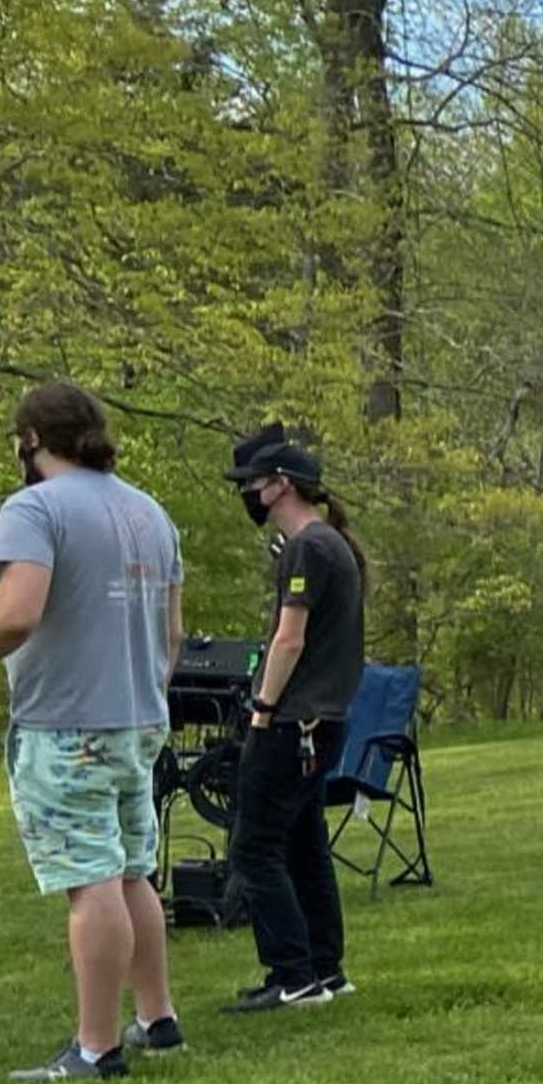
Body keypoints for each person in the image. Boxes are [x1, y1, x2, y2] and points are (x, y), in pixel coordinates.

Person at [0, 381, 187, 1084]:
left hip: (65, 721)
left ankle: (95, 1046)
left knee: (92, 878)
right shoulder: (150, 513)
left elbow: (17, 613)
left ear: (30, 441)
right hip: (139, 717)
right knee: (133, 866)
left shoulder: (33, 509)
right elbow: (170, 633)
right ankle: (157, 1018)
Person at [220, 428, 366, 1014]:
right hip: (326, 720)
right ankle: (324, 968)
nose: (249, 494)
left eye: (253, 484)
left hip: (294, 722)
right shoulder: (335, 544)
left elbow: (289, 638)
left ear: (281, 485)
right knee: (304, 844)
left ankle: (291, 972)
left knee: (253, 847)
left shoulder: (307, 547)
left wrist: (262, 711)